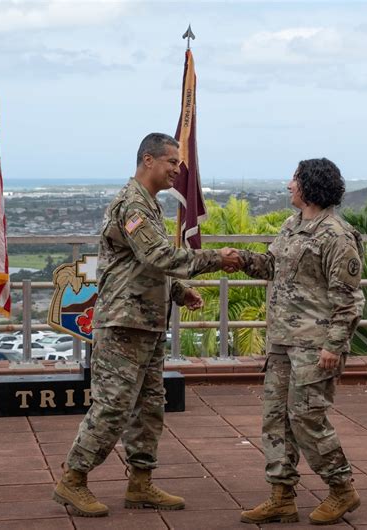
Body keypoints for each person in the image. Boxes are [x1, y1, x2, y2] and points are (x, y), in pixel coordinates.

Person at [52, 133, 242, 517]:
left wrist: (178, 291)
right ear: (148, 160)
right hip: (124, 323)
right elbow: (157, 254)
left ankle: (140, 483)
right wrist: (217, 259)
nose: (177, 169)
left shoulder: (150, 205)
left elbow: (143, 264)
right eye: (171, 162)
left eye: (178, 163)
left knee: (149, 407)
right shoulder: (132, 204)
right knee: (113, 407)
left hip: (148, 322)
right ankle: (73, 478)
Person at [238, 158, 365, 525]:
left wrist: (334, 345)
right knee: (275, 419)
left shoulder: (337, 235)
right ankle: (281, 496)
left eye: (294, 179)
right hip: (282, 342)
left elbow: (349, 299)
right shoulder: (293, 226)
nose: (288, 185)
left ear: (309, 185)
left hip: (315, 345)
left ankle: (342, 489)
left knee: (307, 417)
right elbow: (270, 267)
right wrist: (235, 260)